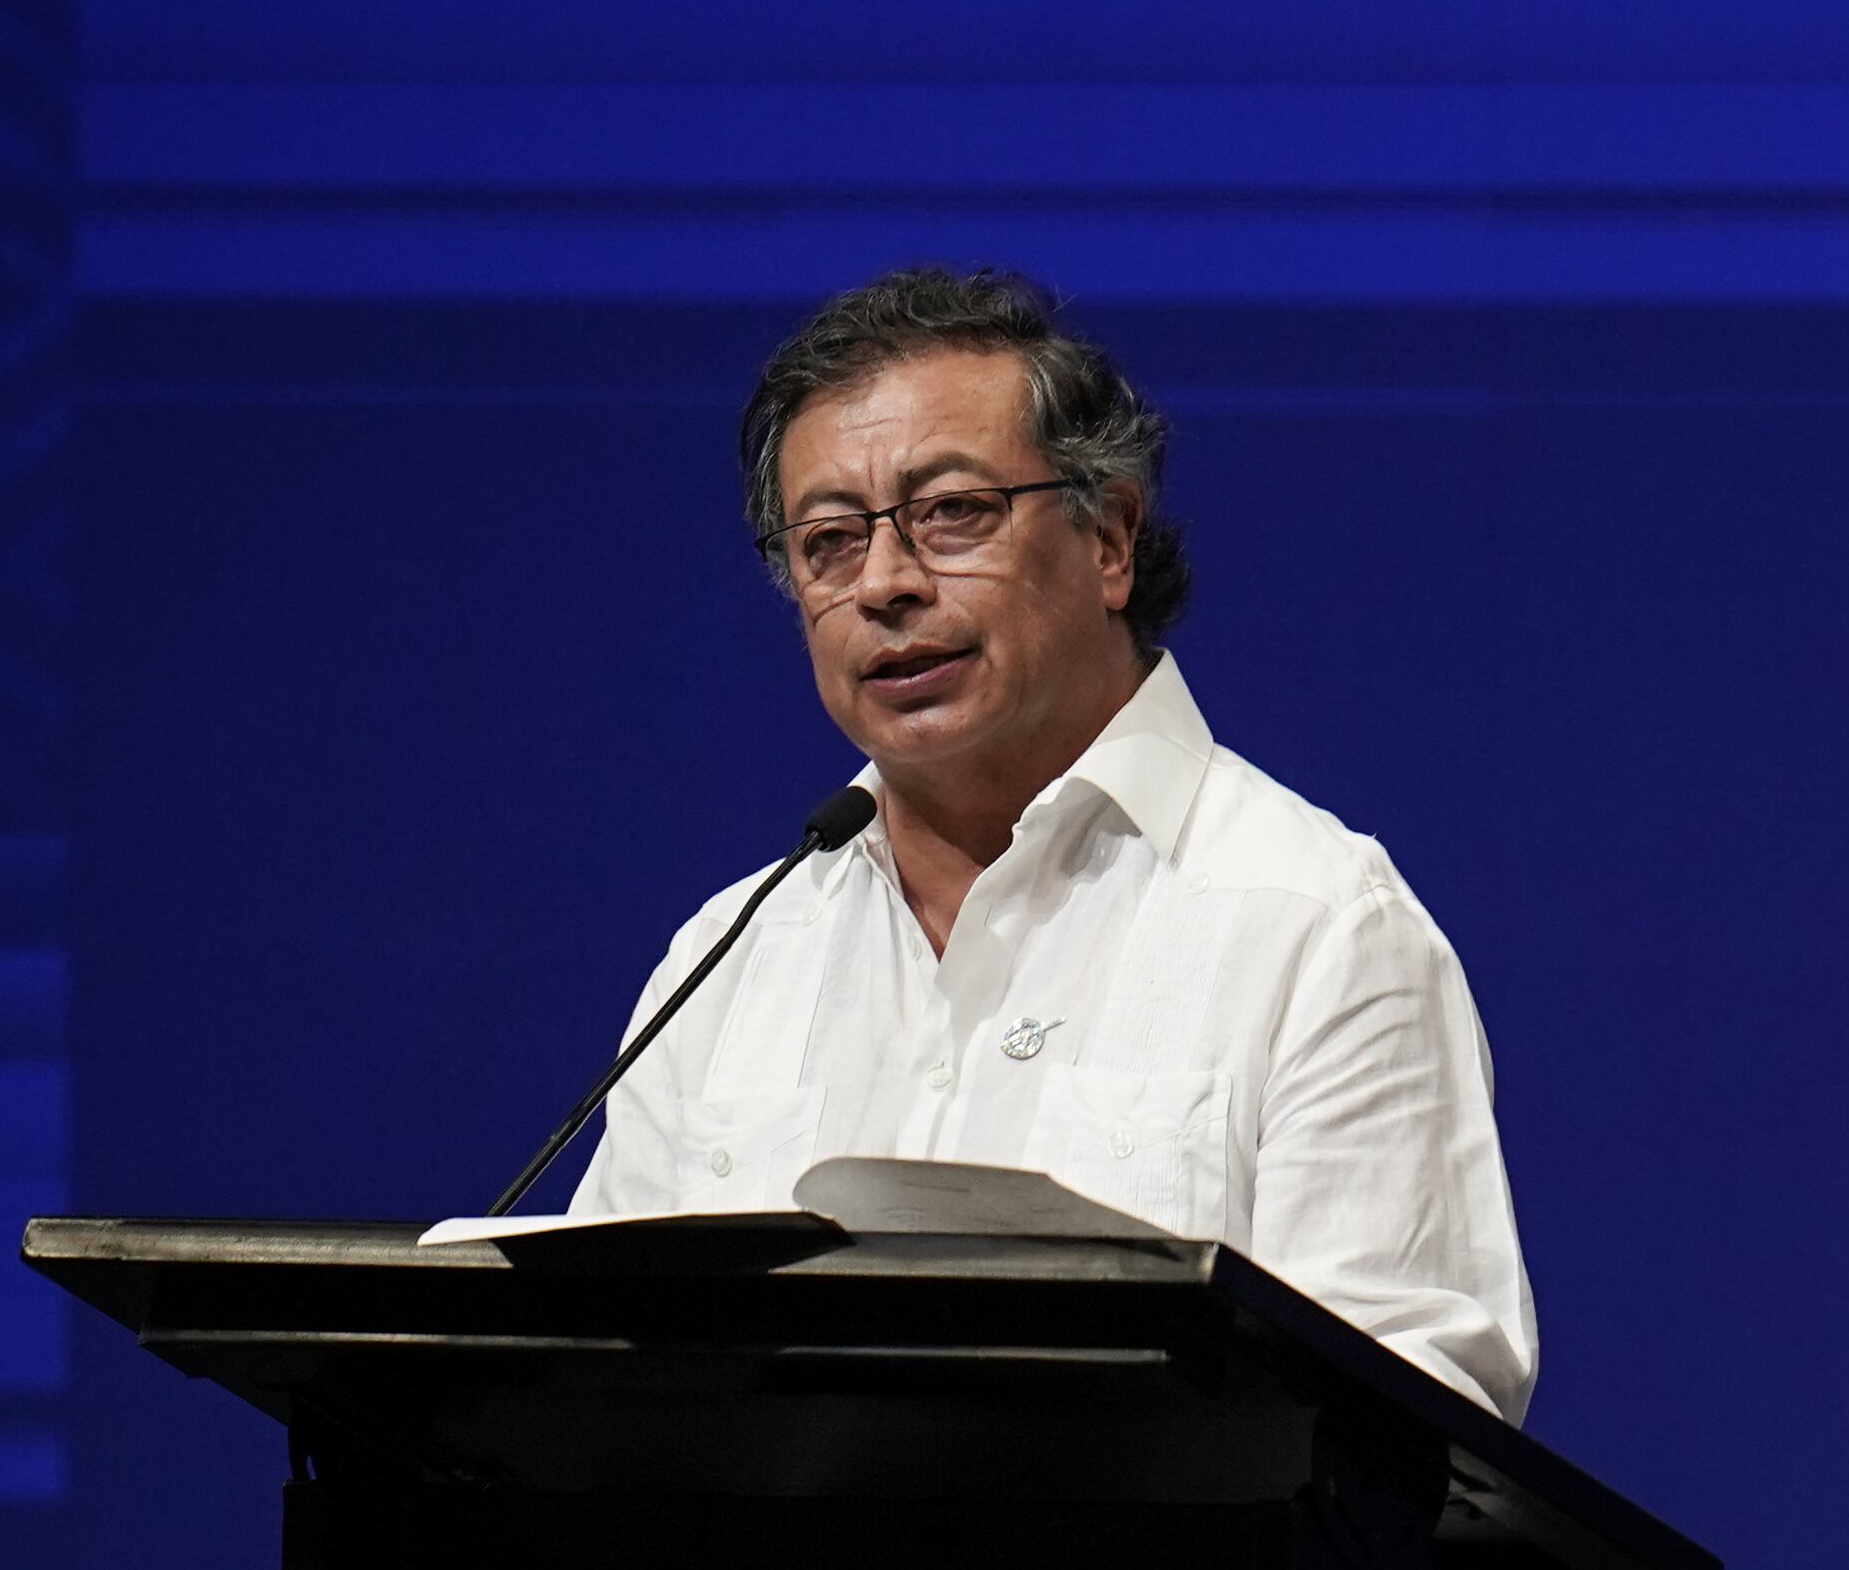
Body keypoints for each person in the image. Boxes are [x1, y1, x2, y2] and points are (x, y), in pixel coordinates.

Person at [567, 266, 1536, 1422]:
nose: (884, 582)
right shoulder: (729, 961)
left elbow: (1401, 1425)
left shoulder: (1314, 929)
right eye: (828, 541)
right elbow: (595, 1376)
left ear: (1110, 538)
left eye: (952, 514)